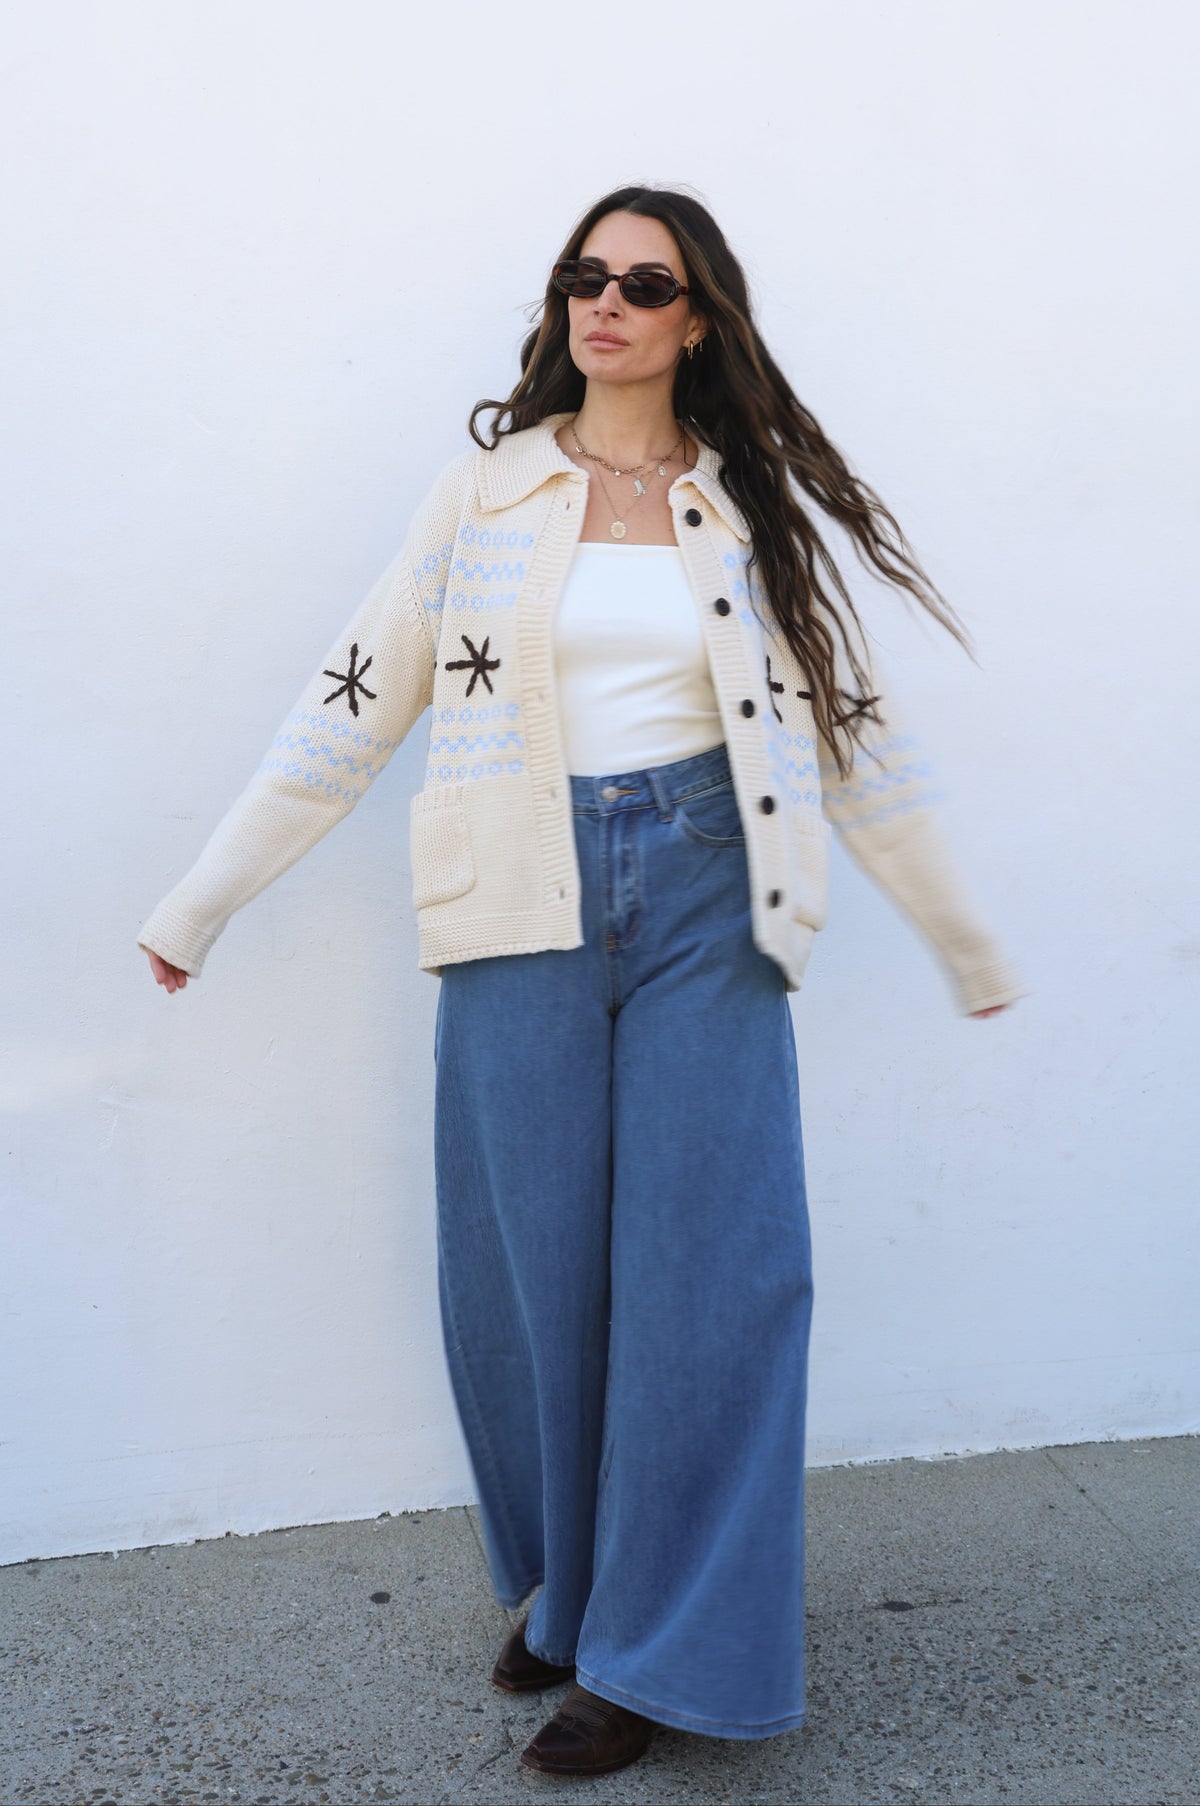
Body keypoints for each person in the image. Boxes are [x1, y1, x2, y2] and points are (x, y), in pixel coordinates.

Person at [138, 183, 1026, 1780]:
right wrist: (202, 901)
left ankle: (657, 1656)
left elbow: (860, 739)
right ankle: (570, 1592)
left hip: (708, 893)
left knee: (716, 1286)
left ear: (699, 319)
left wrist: (966, 940)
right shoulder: (485, 497)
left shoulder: (750, 511)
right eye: (581, 277)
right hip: (515, 890)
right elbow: (350, 702)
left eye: (643, 281)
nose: (603, 302)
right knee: (522, 1280)